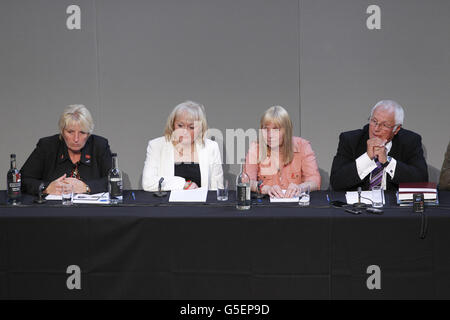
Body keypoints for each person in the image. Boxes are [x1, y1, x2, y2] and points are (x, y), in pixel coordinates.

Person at [330, 100, 428, 191]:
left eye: (384, 125)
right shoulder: (350, 140)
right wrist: (367, 158)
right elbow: (336, 182)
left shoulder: (410, 141)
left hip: (392, 205)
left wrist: (387, 162)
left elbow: (422, 181)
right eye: (374, 121)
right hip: (358, 205)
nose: (376, 129)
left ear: (396, 129)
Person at [20, 105, 112, 195]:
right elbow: (22, 180)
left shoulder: (100, 146)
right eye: (70, 132)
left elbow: (114, 179)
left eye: (82, 132)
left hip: (90, 209)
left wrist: (87, 187)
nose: (76, 139)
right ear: (62, 131)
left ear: (88, 134)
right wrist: (45, 188)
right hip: (53, 208)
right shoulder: (47, 146)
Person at [142, 101, 223, 191]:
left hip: (201, 204)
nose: (185, 131)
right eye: (180, 125)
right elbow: (147, 183)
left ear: (200, 128)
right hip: (167, 204)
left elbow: (217, 189)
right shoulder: (156, 146)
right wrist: (183, 184)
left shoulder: (211, 147)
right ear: (172, 125)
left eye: (191, 127)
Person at [244, 106, 321, 198]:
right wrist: (264, 188)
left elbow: (315, 181)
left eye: (275, 129)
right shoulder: (255, 148)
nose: (269, 135)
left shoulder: (303, 146)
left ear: (287, 131)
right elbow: (246, 181)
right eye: (266, 129)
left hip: (296, 205)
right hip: (266, 205)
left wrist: (299, 188)